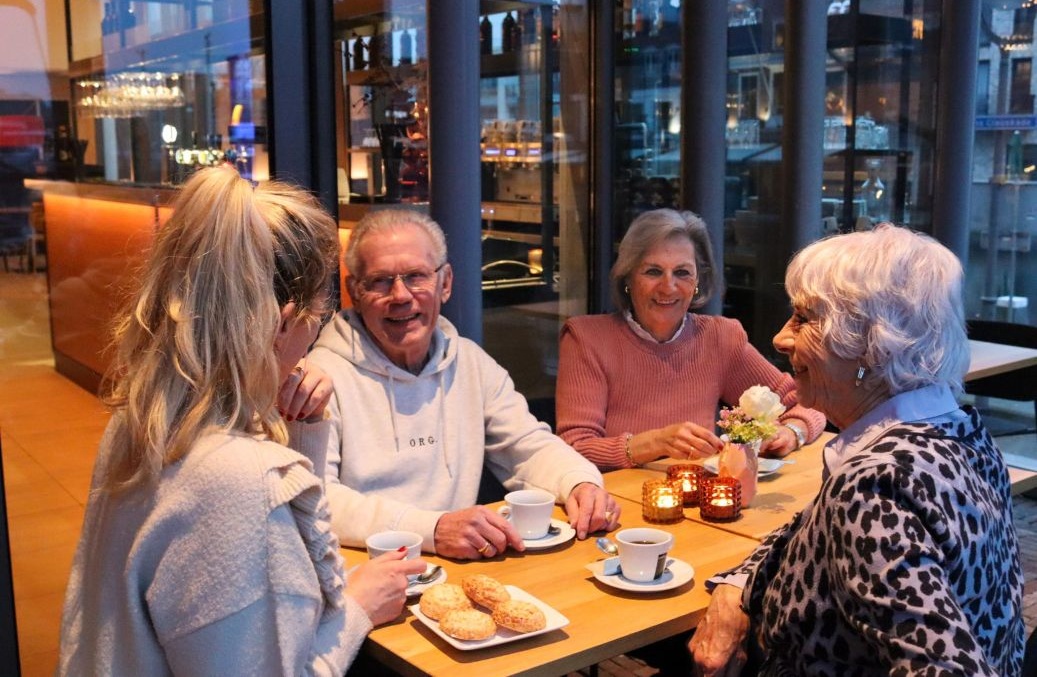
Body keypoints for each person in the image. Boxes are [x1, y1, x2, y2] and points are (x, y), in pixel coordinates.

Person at [57, 168, 426, 675]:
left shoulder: (141, 424)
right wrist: (358, 609)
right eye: (314, 324)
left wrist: (300, 423)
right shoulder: (240, 481)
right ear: (283, 323)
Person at [690, 224, 1024, 676]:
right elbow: (806, 526)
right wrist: (736, 586)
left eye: (803, 319)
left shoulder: (875, 486)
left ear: (870, 344)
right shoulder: (962, 434)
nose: (781, 338)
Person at [300, 208, 620, 560]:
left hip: (459, 563)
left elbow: (527, 446)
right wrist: (433, 529)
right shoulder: (320, 378)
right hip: (365, 571)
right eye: (380, 281)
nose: (401, 295)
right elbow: (317, 497)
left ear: (445, 283)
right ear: (354, 291)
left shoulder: (469, 362)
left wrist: (579, 481)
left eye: (416, 276)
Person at [556, 208, 825, 470]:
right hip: (611, 496)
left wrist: (792, 432)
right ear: (628, 277)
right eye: (653, 271)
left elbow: (810, 400)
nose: (668, 287)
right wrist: (656, 442)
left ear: (698, 281)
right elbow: (573, 448)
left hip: (697, 494)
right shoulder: (586, 339)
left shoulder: (719, 337)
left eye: (682, 272)